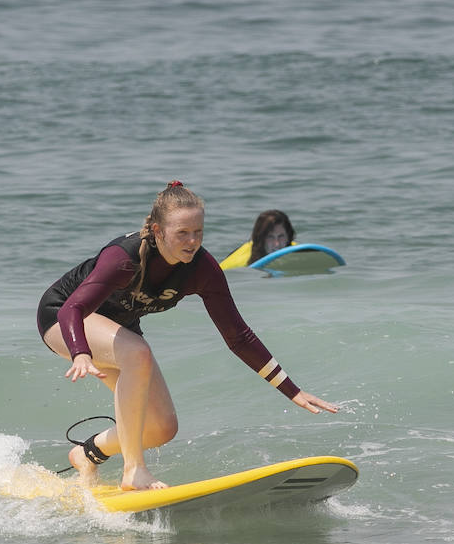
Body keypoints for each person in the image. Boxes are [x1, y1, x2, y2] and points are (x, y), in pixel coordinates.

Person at [36, 182, 338, 491]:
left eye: (198, 232)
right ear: (157, 230)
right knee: (138, 352)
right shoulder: (124, 258)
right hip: (64, 318)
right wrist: (81, 352)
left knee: (160, 428)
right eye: (182, 233)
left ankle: (88, 454)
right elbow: (73, 308)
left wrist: (292, 390)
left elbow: (238, 336)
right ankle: (134, 471)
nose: (192, 241)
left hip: (120, 331)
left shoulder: (202, 269)